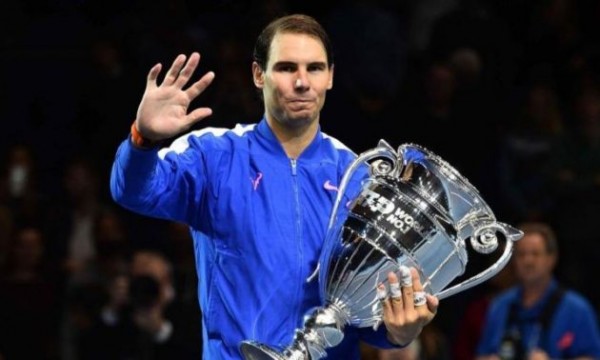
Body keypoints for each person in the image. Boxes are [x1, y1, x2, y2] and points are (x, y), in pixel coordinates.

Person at [110, 13, 438, 359]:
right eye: (286, 68)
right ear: (258, 75)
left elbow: (363, 307)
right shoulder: (214, 155)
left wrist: (398, 330)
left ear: (330, 77)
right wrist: (142, 139)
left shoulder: (357, 176)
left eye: (314, 68)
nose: (301, 82)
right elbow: (134, 192)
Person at [475, 222, 600, 359]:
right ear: (513, 261)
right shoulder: (499, 306)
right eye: (522, 254)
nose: (528, 261)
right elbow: (481, 354)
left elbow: (591, 357)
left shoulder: (577, 309)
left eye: (535, 254)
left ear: (551, 258)